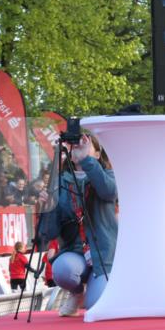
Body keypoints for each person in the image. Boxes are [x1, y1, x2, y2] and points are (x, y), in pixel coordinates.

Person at [38, 133, 118, 316]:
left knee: (96, 306)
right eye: (76, 146)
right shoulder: (59, 182)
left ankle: (95, 289)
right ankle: (76, 293)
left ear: (97, 154)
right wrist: (47, 207)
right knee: (62, 270)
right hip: (75, 253)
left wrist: (87, 161)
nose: (79, 148)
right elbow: (49, 233)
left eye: (86, 145)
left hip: (104, 254)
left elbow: (109, 192)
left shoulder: (107, 175)